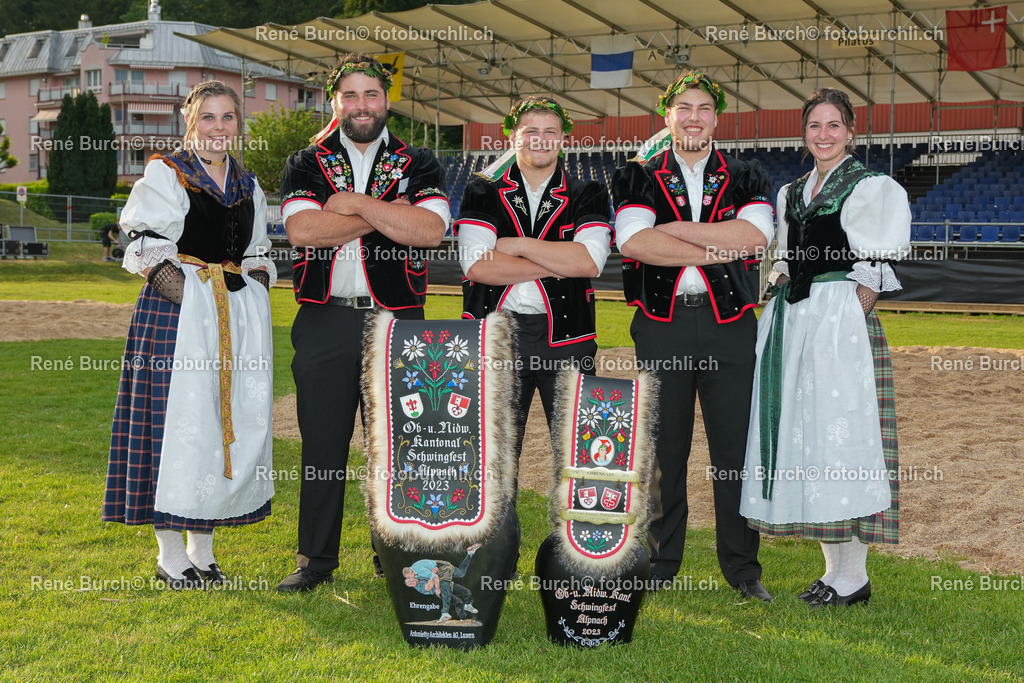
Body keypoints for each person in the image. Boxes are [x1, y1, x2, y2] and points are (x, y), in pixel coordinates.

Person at [275, 54, 449, 593]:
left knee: (398, 447)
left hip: (399, 325)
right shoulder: (307, 160)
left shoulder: (419, 160)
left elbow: (426, 231)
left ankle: (394, 555)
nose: (361, 105)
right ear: (336, 103)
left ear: (387, 99)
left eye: (370, 94)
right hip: (325, 319)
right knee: (323, 446)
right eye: (349, 96)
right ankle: (316, 561)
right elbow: (304, 231)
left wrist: (351, 205)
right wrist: (385, 215)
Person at [102, 81, 276, 590]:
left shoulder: (248, 185)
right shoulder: (168, 172)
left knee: (217, 425)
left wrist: (247, 297)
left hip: (229, 321)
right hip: (175, 318)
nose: (218, 128)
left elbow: (258, 253)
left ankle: (203, 551)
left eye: (227, 118)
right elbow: (147, 246)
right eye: (208, 118)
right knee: (170, 427)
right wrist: (200, 303)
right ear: (189, 122)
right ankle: (170, 555)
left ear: (238, 125)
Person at [740, 88, 910, 607]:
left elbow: (876, 268)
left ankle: (854, 576)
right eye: (815, 125)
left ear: (851, 132)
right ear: (804, 132)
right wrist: (781, 296)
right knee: (808, 440)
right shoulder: (790, 191)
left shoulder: (870, 186)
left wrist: (848, 320)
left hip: (838, 321)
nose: (824, 134)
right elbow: (787, 257)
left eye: (834, 125)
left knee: (844, 440)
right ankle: (833, 572)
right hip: (795, 320)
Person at [611, 70, 775, 600]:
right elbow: (635, 243)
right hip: (663, 325)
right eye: (684, 108)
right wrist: (717, 247)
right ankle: (661, 563)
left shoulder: (747, 174)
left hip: (730, 327)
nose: (694, 117)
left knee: (734, 452)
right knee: (665, 450)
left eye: (704, 108)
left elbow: (753, 237)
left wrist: (674, 231)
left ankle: (742, 569)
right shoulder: (638, 175)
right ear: (668, 116)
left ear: (716, 118)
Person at [455, 96, 612, 482]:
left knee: (580, 452)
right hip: (496, 335)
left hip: (568, 337)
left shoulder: (587, 191)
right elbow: (477, 265)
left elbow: (588, 262)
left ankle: (573, 543)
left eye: (549, 132)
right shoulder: (483, 188)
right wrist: (557, 261)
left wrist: (519, 245)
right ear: (512, 136)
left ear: (563, 139)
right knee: (493, 455)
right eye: (530, 132)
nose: (540, 140)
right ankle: (493, 544)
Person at [403, 543, 482, 622]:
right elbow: (429, 586)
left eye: (410, 578)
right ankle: (470, 554)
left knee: (444, 588)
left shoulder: (419, 571)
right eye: (410, 583)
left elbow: (435, 577)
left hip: (441, 567)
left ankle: (445, 613)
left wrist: (437, 587)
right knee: (461, 574)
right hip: (442, 567)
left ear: (410, 571)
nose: (411, 579)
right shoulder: (418, 584)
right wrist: (433, 574)